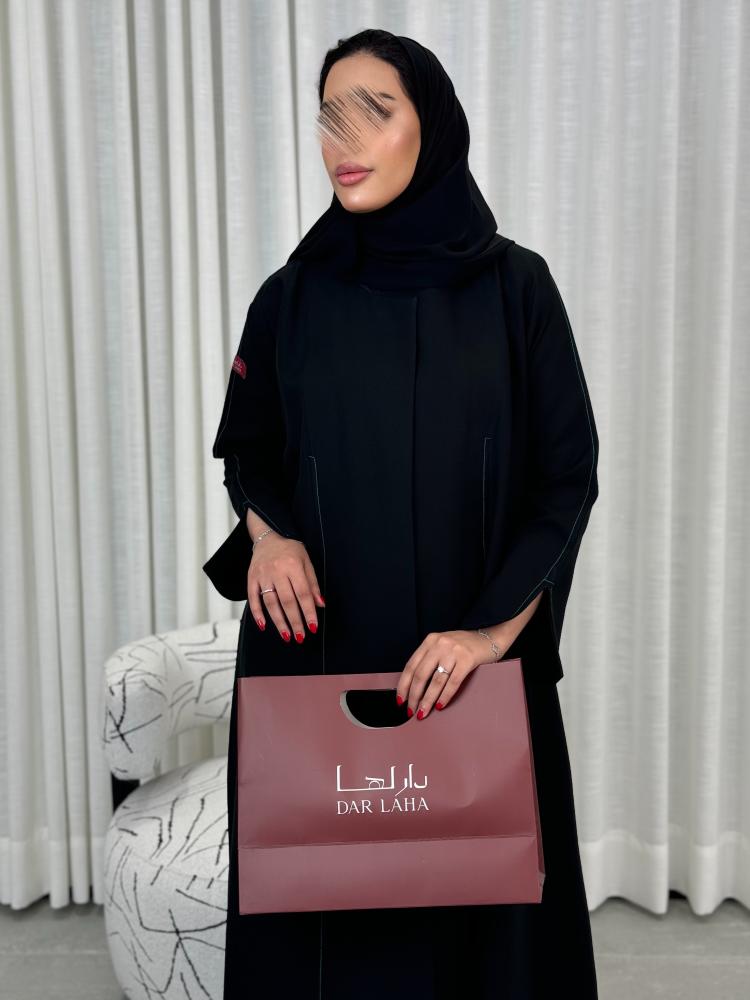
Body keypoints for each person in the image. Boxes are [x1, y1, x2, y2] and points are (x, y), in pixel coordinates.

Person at [203, 28, 600, 1000]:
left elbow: (567, 479)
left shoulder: (517, 290)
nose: (341, 139)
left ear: (436, 125)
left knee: (488, 932)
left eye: (373, 111)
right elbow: (248, 450)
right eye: (328, 116)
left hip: (467, 666)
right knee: (325, 937)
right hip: (319, 659)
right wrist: (269, 535)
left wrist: (487, 634)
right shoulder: (290, 298)